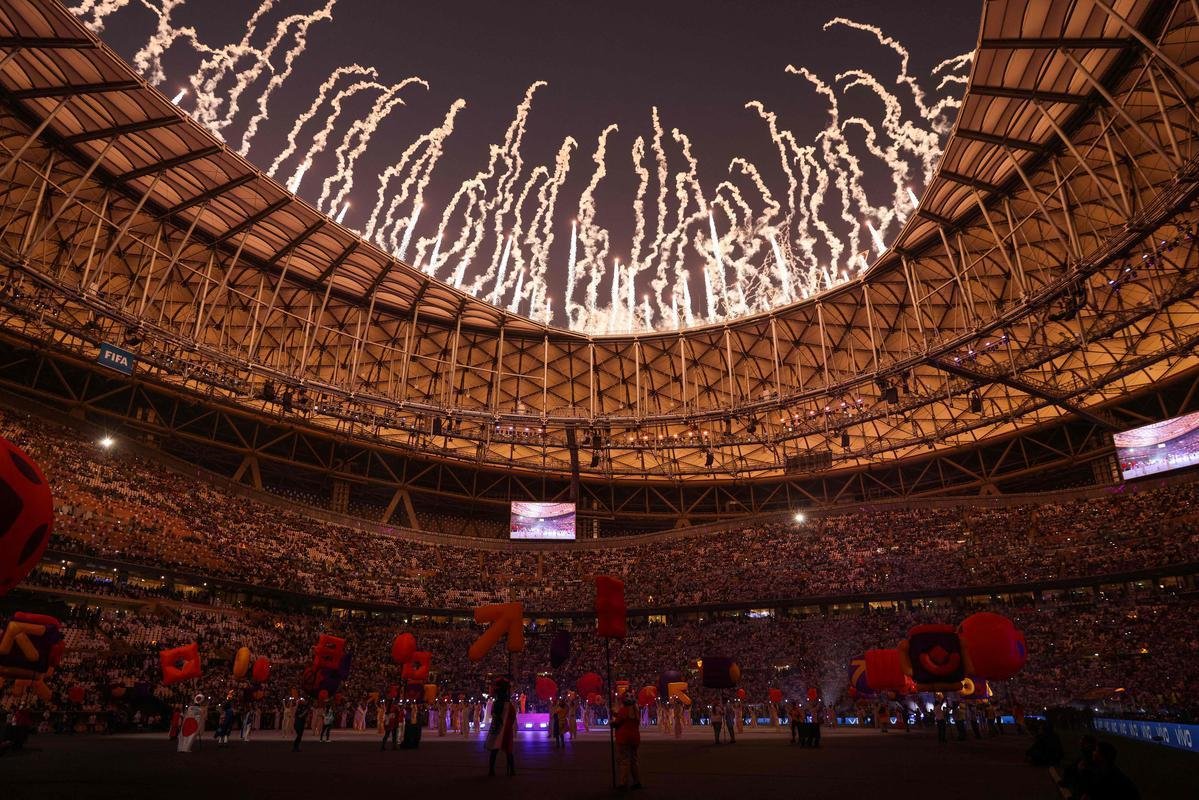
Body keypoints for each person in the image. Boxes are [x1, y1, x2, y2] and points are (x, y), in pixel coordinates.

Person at [486, 679, 517, 777]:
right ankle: (511, 770)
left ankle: (491, 770)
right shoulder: (508, 705)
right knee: (508, 751)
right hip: (505, 728)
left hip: (498, 728)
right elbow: (512, 717)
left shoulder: (496, 704)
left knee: (495, 750)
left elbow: (493, 714)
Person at [612, 694, 643, 791]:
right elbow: (626, 718)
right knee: (634, 760)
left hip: (624, 738)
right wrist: (615, 714)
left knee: (624, 760)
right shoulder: (636, 711)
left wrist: (611, 722)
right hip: (635, 738)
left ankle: (623, 783)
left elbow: (617, 723)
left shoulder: (623, 710)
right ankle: (636, 781)